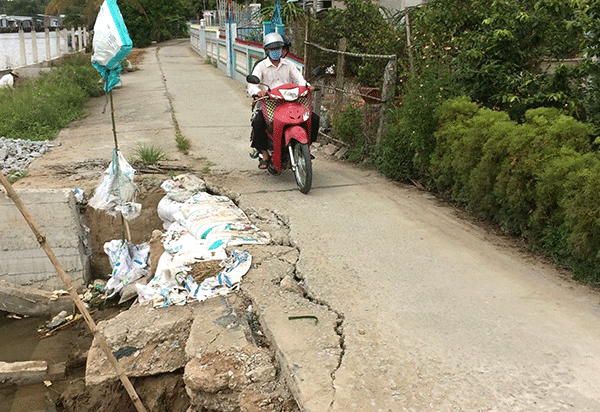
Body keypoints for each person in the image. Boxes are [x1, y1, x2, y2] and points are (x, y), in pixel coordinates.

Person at [247, 32, 320, 169]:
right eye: (273, 49)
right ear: (267, 50)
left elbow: (300, 80)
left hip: (290, 101)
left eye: (278, 48)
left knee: (313, 118)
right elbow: (252, 85)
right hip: (269, 102)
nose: (276, 51)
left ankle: (307, 147)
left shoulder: (289, 65)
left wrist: (307, 86)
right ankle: (265, 154)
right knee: (258, 123)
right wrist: (257, 92)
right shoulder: (261, 66)